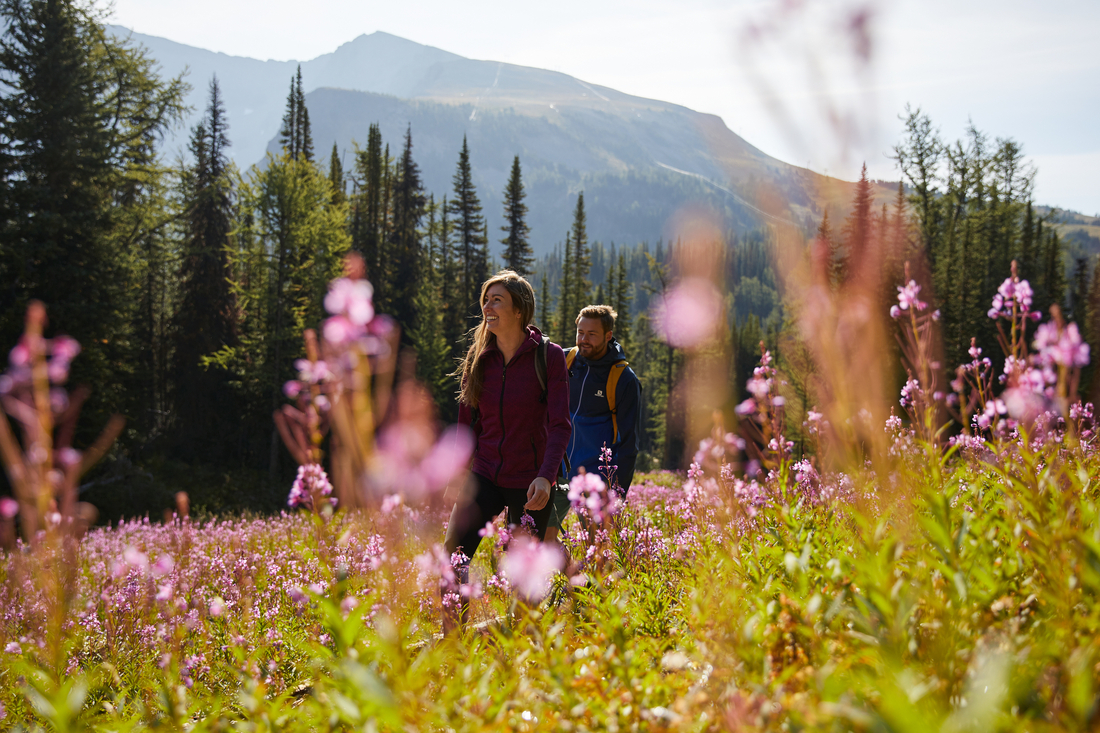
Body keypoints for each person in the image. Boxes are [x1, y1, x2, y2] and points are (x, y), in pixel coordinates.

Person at [443, 270, 571, 628]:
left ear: (520, 310)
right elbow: (465, 425)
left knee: (524, 573)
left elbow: (560, 424)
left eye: (497, 299)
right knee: (454, 554)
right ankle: (453, 640)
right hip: (483, 473)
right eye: (486, 299)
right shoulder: (478, 358)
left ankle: (520, 648)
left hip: (529, 482)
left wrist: (546, 477)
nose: (488, 306)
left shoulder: (549, 357)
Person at [546, 304, 641, 542]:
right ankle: (569, 576)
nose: (583, 339)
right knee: (540, 536)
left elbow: (629, 443)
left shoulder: (624, 379)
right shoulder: (564, 360)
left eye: (591, 334)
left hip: (595, 478)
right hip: (556, 471)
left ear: (608, 336)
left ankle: (593, 581)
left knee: (598, 546)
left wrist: (618, 492)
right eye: (580, 332)